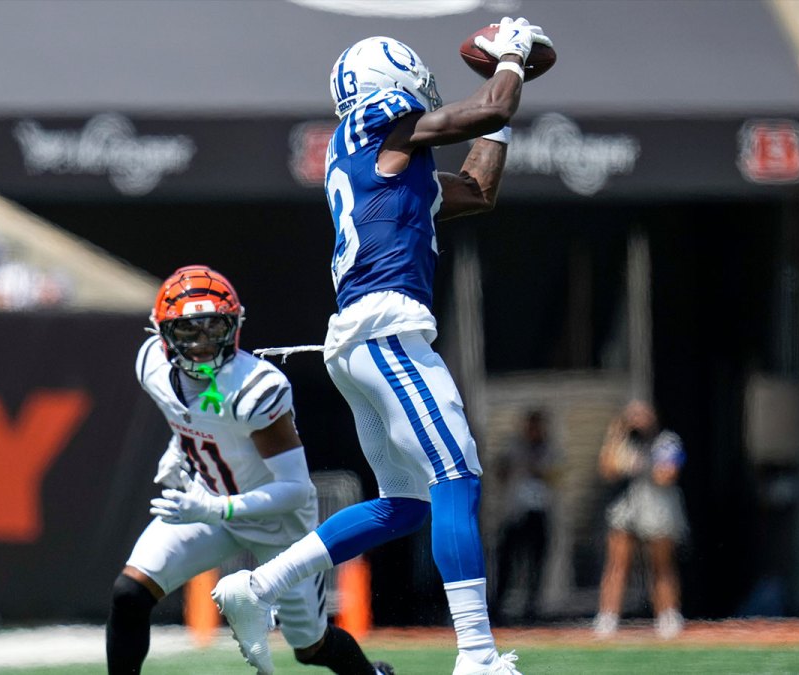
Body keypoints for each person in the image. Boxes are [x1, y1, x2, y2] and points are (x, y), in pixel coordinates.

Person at [212, 18, 552, 675]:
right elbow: (487, 107)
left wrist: (501, 110)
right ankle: (477, 656)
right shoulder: (379, 117)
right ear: (387, 81)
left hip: (363, 337)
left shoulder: (382, 160)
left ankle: (259, 586)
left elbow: (479, 188)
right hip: (387, 326)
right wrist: (510, 57)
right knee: (458, 473)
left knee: (408, 504)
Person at [105, 265, 393, 675]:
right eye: (188, 331)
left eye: (212, 329)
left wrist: (215, 510)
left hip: (279, 522)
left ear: (234, 326)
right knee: (129, 593)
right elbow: (190, 416)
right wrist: (178, 448)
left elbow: (294, 488)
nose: (202, 345)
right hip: (209, 499)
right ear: (163, 334)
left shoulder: (255, 388)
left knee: (310, 647)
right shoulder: (152, 365)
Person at [593, 400, 687, 640]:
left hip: (656, 506)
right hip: (627, 506)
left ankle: (668, 615)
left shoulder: (667, 441)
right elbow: (607, 469)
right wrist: (617, 433)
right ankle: (608, 617)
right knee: (617, 564)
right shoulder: (623, 443)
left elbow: (666, 475)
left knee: (661, 566)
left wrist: (641, 462)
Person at [492, 409, 555, 625]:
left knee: (535, 562)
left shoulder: (549, 449)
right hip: (514, 511)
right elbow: (499, 471)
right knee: (507, 560)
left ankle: (532, 606)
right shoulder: (513, 447)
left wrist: (533, 464)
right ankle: (499, 605)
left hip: (538, 511)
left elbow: (553, 475)